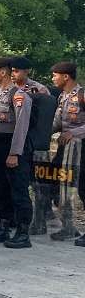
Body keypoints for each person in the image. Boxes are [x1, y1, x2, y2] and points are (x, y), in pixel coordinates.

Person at [0, 57, 33, 248]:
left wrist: (15, 153)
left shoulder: (19, 96)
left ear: (3, 72)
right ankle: (3, 227)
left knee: (18, 189)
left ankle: (23, 232)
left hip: (13, 146)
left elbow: (21, 127)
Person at [50, 61, 85, 245]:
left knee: (83, 189)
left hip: (81, 148)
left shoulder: (82, 94)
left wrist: (74, 133)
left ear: (66, 76)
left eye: (55, 75)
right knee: (53, 180)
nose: (52, 78)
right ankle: (67, 225)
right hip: (65, 148)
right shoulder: (62, 96)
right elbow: (57, 123)